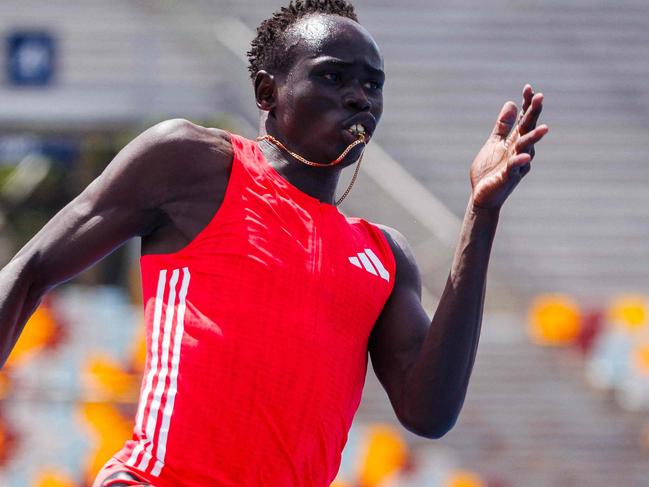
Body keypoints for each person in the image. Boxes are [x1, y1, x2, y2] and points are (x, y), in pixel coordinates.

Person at [0, 1, 548, 486]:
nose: (359, 96)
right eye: (334, 77)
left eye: (373, 84)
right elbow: (30, 271)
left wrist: (481, 213)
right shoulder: (192, 163)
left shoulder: (384, 257)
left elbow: (429, 412)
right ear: (269, 92)